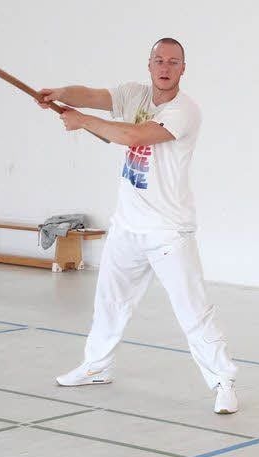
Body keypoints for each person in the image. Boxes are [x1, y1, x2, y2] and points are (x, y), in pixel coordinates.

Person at [37, 38, 239, 414]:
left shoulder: (185, 111)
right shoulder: (134, 95)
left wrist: (81, 121)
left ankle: (223, 381)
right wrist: (62, 94)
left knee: (193, 310)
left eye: (173, 62)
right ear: (149, 65)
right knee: (109, 302)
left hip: (168, 231)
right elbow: (94, 96)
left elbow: (132, 136)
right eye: (159, 60)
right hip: (128, 225)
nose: (165, 67)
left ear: (183, 69)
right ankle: (96, 366)